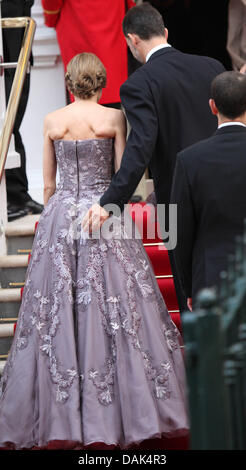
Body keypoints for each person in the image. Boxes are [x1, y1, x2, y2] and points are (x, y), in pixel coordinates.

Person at [0, 52, 188, 450]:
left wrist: (53, 219)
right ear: (102, 82)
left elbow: (48, 185)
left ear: (69, 81)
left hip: (62, 217)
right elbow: (122, 173)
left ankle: (65, 411)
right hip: (105, 211)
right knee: (117, 305)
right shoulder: (114, 118)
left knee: (58, 310)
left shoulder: (52, 121)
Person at [82, 3, 225, 313]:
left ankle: (201, 354)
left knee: (188, 284)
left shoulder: (137, 84)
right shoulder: (212, 66)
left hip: (175, 198)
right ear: (166, 33)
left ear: (132, 40)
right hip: (225, 186)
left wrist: (110, 201)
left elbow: (140, 147)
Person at [170, 71, 246, 310]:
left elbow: (179, 231)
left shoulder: (190, 160)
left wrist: (189, 287)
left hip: (211, 279)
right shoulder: (188, 159)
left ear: (212, 106)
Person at [41, 0, 136, 107]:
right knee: (111, 93)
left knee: (81, 96)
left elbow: (51, 4)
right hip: (110, 18)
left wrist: (50, 18)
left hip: (77, 21)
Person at [2, 0, 44, 221]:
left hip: (20, 50)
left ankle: (17, 194)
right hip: (5, 54)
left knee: (12, 124)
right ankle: (12, 196)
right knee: (6, 124)